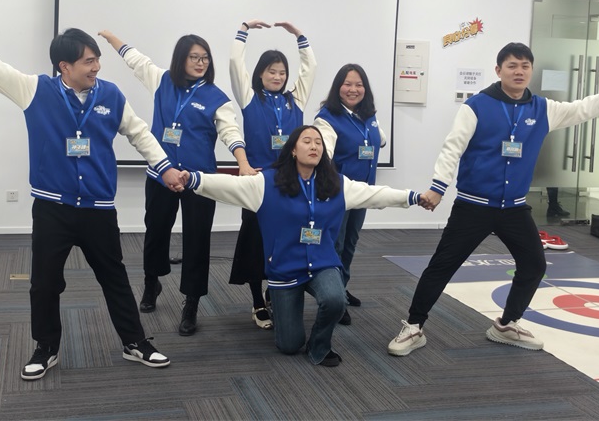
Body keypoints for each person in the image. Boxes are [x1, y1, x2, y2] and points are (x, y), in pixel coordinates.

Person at [0, 0, 178, 381]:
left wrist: (165, 167)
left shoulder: (111, 95)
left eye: (97, 59)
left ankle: (135, 341)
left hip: (98, 209)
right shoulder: (34, 90)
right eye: (88, 61)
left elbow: (140, 133)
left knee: (115, 278)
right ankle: (46, 347)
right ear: (64, 66)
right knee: (44, 284)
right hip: (53, 208)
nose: (96, 67)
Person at [388, 42, 599, 356]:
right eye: (512, 65)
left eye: (525, 66)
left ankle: (506, 324)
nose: (519, 71)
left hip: (513, 209)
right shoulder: (476, 106)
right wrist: (438, 187)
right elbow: (452, 148)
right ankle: (414, 326)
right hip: (474, 206)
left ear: (531, 71)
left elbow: (582, 109)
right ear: (498, 70)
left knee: (534, 264)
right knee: (442, 266)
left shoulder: (542, 108)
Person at [179, 126, 426, 366]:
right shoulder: (267, 183)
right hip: (285, 270)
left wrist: (413, 197)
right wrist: (194, 179)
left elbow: (376, 194)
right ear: (293, 150)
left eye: (318, 143)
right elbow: (228, 186)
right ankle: (282, 310)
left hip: (322, 264)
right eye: (307, 141)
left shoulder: (337, 184)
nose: (314, 146)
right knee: (289, 345)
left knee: (336, 300)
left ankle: (319, 344)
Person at [98, 30, 254, 336]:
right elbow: (135, 59)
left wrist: (243, 163)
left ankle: (191, 302)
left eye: (205, 58)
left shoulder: (217, 98)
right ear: (181, 59)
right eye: (194, 57)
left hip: (199, 180)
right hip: (162, 175)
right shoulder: (162, 81)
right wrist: (112, 38)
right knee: (156, 232)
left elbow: (231, 133)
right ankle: (151, 282)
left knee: (197, 240)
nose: (200, 62)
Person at [227, 19, 317, 330]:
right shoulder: (250, 98)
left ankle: (273, 292)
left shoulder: (296, 100)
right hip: (257, 184)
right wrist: (243, 30)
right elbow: (234, 62)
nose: (277, 77)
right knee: (255, 242)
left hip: (290, 184)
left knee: (285, 242)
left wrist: (300, 37)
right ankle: (256, 301)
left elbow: (310, 68)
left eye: (282, 72)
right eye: (271, 72)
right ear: (260, 74)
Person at [314, 64, 386, 324]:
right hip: (339, 195)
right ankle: (334, 298)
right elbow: (325, 153)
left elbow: (380, 140)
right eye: (347, 84)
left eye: (359, 84)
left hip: (363, 193)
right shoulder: (326, 118)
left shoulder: (369, 115)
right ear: (338, 87)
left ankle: (341, 287)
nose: (353, 89)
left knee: (351, 243)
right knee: (336, 244)